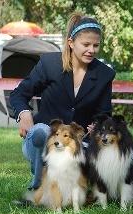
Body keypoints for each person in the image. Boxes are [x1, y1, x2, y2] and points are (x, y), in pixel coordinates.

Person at [10, 13, 116, 190]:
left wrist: (97, 126)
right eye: (86, 44)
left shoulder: (105, 74)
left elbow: (104, 114)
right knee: (40, 132)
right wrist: (24, 114)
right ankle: (38, 185)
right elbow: (18, 94)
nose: (92, 50)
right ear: (71, 43)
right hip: (42, 141)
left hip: (78, 146)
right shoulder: (49, 63)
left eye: (96, 45)